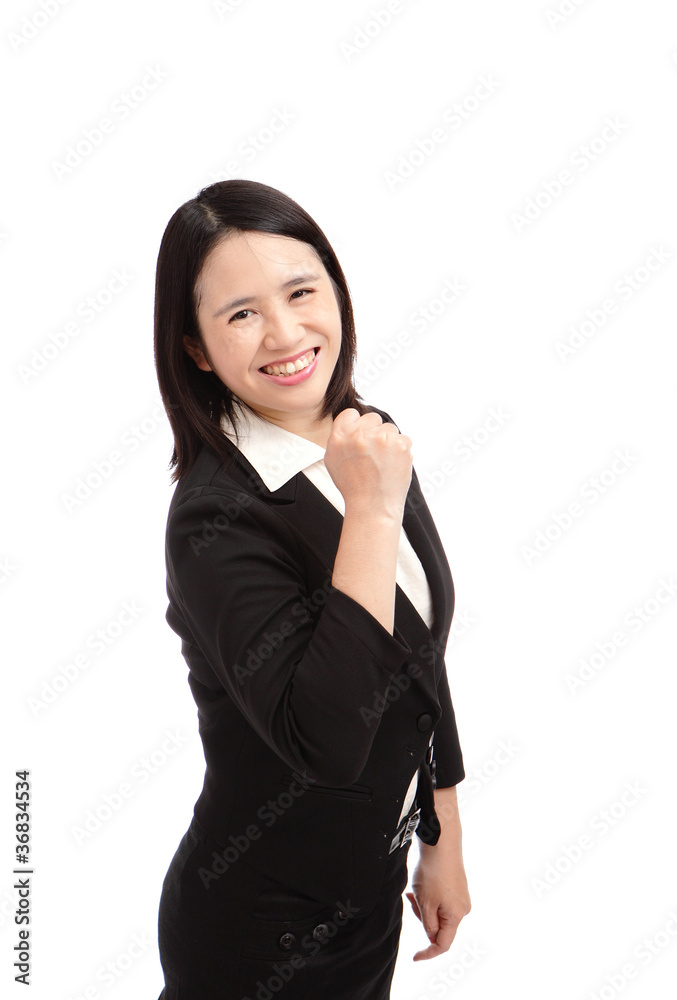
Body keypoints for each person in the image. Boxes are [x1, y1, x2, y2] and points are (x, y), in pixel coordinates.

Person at [153, 179, 471, 999]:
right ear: (196, 349)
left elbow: (418, 659)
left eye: (301, 292)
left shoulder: (367, 435)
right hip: (260, 930)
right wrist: (370, 510)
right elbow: (325, 742)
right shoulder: (215, 519)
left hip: (368, 897)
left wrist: (440, 839)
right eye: (241, 313)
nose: (287, 333)